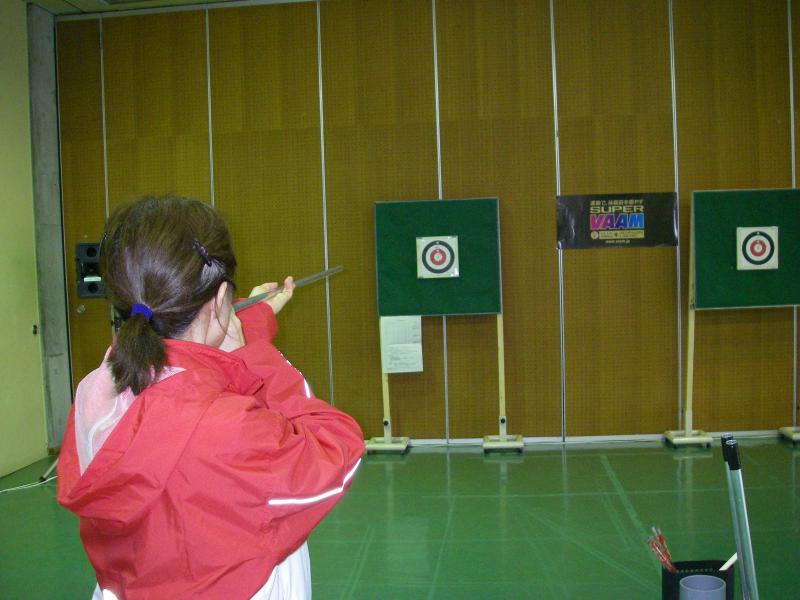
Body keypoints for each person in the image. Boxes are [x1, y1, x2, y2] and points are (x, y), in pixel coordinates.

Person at [56, 196, 365, 600]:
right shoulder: (225, 427)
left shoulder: (98, 389)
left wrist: (249, 321)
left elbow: (185, 365)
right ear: (220, 300)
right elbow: (337, 448)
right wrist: (255, 353)